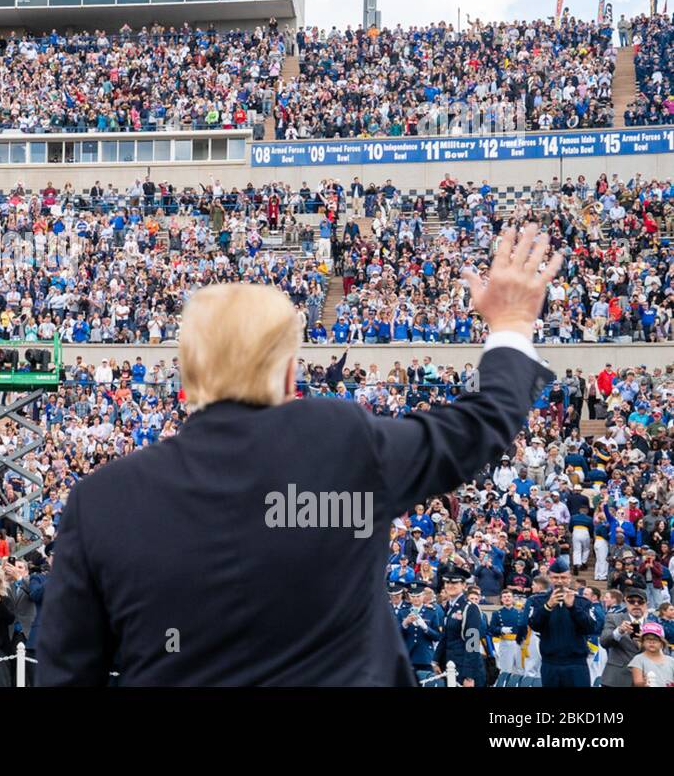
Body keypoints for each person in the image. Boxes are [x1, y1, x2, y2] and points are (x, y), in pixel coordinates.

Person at [37, 226, 562, 686]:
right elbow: (480, 426)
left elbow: (66, 674)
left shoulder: (101, 500)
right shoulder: (341, 442)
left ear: (186, 377)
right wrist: (511, 322)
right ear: (291, 375)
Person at [526, 558, 600, 687]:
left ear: (570, 578)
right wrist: (548, 606)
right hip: (550, 663)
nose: (559, 581)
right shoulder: (538, 600)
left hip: (576, 664)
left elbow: (590, 628)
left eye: (563, 577)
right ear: (549, 577)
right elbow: (535, 625)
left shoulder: (582, 602)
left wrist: (573, 607)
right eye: (555, 577)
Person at [600, 589, 649, 687]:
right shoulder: (613, 618)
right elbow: (604, 642)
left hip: (643, 679)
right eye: (631, 601)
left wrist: (645, 640)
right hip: (616, 678)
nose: (636, 604)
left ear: (646, 604)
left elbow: (661, 650)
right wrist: (619, 631)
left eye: (640, 601)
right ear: (626, 602)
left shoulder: (652, 625)